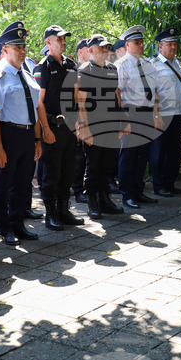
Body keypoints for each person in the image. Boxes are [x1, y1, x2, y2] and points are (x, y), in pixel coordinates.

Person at [0, 22, 43, 244]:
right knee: (3, 184)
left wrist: (37, 140)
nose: (22, 50)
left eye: (23, 46)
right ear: (5, 50)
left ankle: (18, 223)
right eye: (17, 47)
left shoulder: (25, 74)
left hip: (28, 134)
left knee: (22, 182)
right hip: (8, 134)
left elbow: (34, 111)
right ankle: (4, 227)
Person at [34, 25, 85, 230]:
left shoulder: (71, 64)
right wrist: (45, 128)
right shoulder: (43, 67)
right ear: (49, 42)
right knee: (51, 172)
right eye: (60, 39)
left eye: (65, 38)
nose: (64, 42)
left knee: (67, 170)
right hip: (52, 126)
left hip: (69, 127)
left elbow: (77, 96)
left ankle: (64, 210)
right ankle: (51, 213)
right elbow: (39, 102)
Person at [75, 34, 125, 218]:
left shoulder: (112, 69)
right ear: (91, 50)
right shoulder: (84, 70)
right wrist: (84, 127)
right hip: (93, 125)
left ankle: (105, 199)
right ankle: (92, 202)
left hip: (111, 124)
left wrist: (122, 122)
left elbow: (117, 96)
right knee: (94, 165)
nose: (105, 50)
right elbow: (81, 102)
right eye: (101, 47)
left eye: (107, 47)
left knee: (108, 164)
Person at [114, 25, 161, 210]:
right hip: (131, 112)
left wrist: (156, 114)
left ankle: (138, 191)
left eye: (142, 42)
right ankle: (127, 194)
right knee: (129, 155)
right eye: (136, 42)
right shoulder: (121, 65)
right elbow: (117, 93)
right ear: (127, 44)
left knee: (143, 155)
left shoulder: (148, 64)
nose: (141, 45)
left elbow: (154, 91)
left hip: (146, 112)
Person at [150, 27, 181, 196]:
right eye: (169, 44)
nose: (173, 47)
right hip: (162, 114)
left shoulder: (179, 64)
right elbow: (151, 91)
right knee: (159, 151)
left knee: (174, 150)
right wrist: (155, 114)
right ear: (160, 46)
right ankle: (158, 185)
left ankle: (169, 183)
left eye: (174, 44)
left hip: (177, 113)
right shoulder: (153, 65)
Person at [71, 39, 91, 204]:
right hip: (79, 117)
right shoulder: (75, 70)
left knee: (88, 157)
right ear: (80, 52)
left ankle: (86, 188)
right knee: (78, 157)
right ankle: (77, 190)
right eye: (87, 49)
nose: (91, 52)